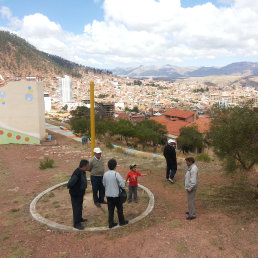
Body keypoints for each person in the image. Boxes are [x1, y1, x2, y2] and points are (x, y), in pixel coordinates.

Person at [103, 159, 128, 228]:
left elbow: (104, 183)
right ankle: (122, 222)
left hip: (108, 195)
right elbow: (122, 184)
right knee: (119, 209)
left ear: (108, 166)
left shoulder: (105, 174)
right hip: (116, 195)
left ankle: (111, 223)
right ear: (115, 166)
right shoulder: (116, 174)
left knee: (110, 210)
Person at [67, 159, 89, 230]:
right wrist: (74, 189)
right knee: (76, 208)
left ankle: (79, 219)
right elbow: (70, 183)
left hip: (80, 193)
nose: (88, 167)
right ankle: (76, 224)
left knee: (79, 206)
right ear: (84, 166)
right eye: (87, 166)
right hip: (76, 194)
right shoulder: (77, 173)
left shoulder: (83, 172)